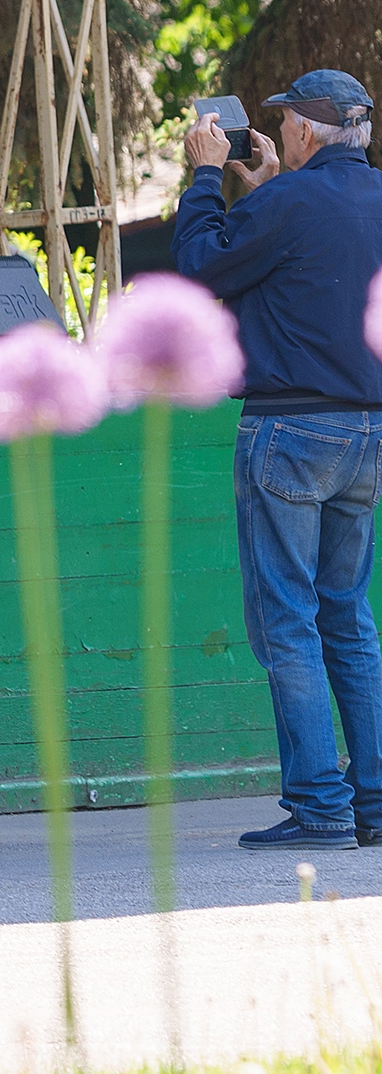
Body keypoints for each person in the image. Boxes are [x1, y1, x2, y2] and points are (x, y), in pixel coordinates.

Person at [174, 70, 382, 851]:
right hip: (370, 435)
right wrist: (261, 190)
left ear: (303, 131)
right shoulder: (353, 198)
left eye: (286, 120)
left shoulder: (287, 204)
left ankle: (322, 807)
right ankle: (372, 802)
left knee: (288, 622)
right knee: (349, 619)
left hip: (291, 434)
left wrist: (205, 175)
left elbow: (200, 266)